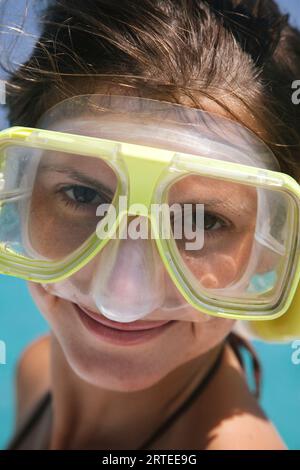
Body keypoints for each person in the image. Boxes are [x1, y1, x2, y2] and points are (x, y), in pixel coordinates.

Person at [2, 0, 300, 450]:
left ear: (274, 244)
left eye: (200, 220)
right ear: (21, 191)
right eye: (84, 196)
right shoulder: (36, 370)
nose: (123, 298)